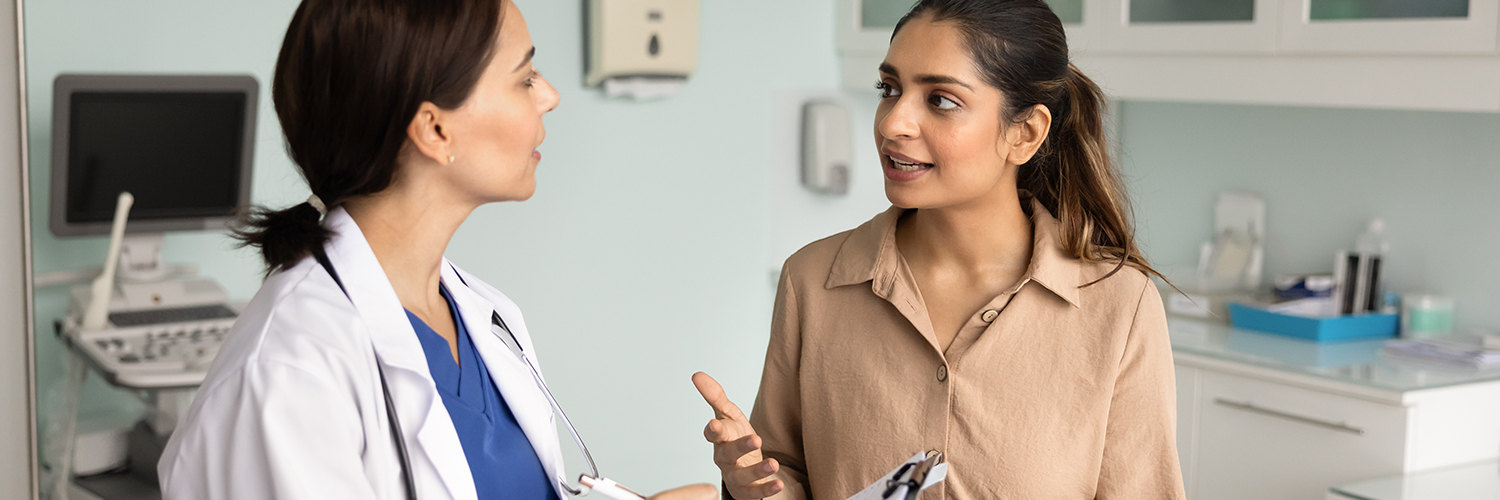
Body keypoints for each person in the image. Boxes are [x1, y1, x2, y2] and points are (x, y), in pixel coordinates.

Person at [157, 0, 715, 498]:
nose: (550, 96)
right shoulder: (290, 374)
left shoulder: (484, 316)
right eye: (525, 78)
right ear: (434, 130)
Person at [693, 0, 1185, 498]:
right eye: (890, 89)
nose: (892, 123)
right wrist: (753, 486)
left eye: (941, 100)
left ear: (1025, 133)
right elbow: (788, 475)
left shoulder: (1120, 305)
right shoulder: (812, 280)